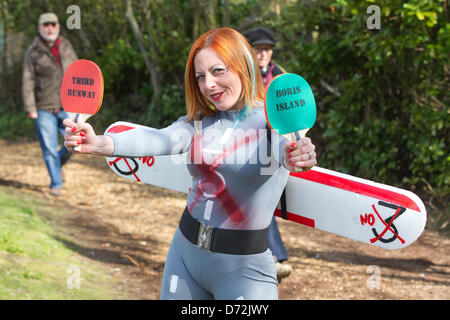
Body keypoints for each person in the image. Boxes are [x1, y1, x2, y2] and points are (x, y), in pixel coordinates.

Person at [63, 27, 316, 300]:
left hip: (245, 271)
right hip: (184, 258)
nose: (208, 85)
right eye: (200, 77)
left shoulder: (273, 125)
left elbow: (291, 152)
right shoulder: (198, 121)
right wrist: (99, 143)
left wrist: (300, 157)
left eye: (218, 71)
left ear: (243, 66)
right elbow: (159, 139)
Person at [243, 27, 292, 282]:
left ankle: (272, 256)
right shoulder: (240, 75)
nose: (263, 54)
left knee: (266, 200)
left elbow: (291, 112)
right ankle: (273, 257)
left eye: (267, 49)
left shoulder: (280, 76)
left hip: (275, 144)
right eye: (258, 49)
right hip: (247, 145)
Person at [22, 12, 78, 196]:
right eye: (45, 25)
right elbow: (27, 80)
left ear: (58, 27)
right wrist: (30, 108)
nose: (50, 28)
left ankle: (57, 164)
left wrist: (81, 101)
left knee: (74, 144)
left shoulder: (66, 46)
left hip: (67, 106)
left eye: (53, 24)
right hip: (43, 107)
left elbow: (78, 72)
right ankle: (56, 184)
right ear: (39, 28)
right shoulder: (33, 51)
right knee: (49, 148)